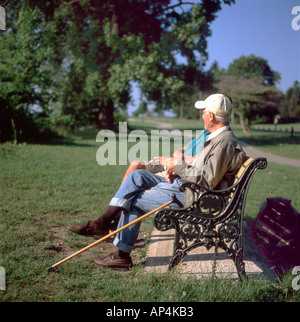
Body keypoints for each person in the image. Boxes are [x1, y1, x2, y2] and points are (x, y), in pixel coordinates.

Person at [68, 93, 246, 270]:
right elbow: (202, 171)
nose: (202, 115)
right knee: (137, 176)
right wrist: (177, 171)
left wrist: (177, 166)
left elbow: (206, 182)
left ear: (211, 116)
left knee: (134, 201)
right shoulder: (216, 138)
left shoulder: (224, 143)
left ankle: (121, 256)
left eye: (204, 111)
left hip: (196, 198)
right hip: (188, 187)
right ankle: (103, 222)